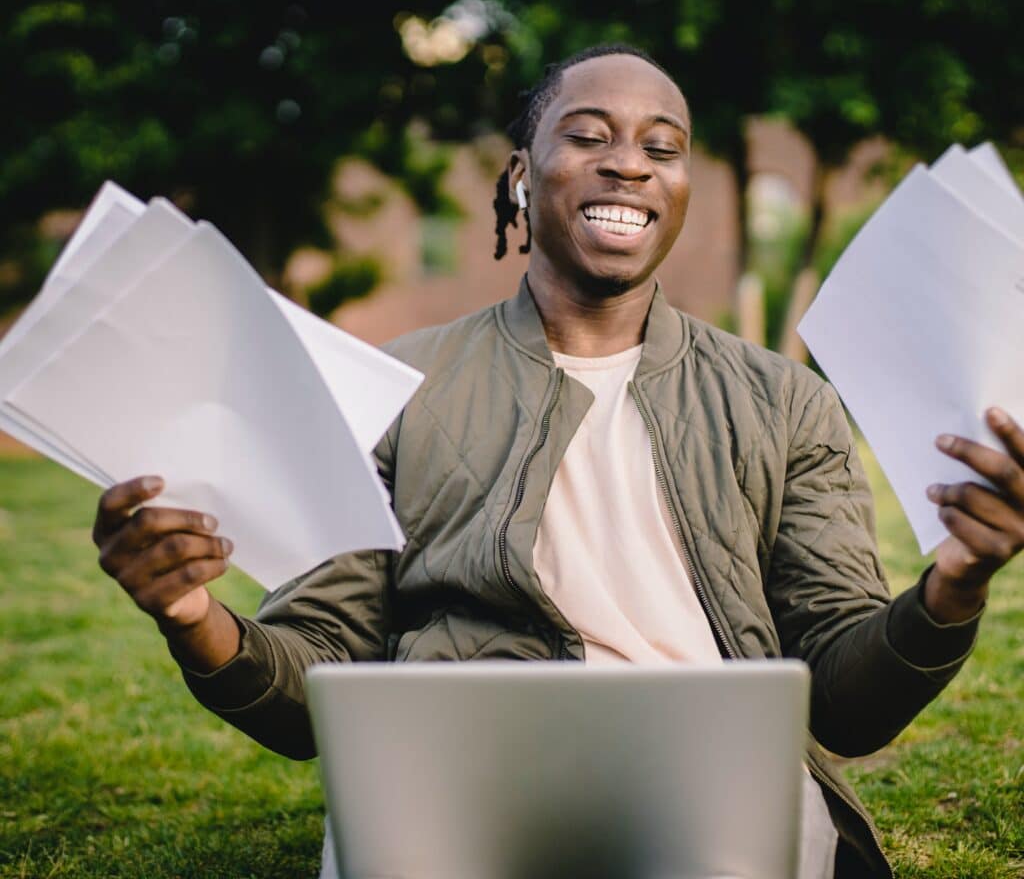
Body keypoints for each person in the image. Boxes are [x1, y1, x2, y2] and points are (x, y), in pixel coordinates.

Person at [92, 45, 1024, 878]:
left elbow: (849, 704)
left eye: (662, 148)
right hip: (454, 788)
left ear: (683, 189)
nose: (630, 162)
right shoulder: (391, 388)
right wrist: (189, 613)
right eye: (589, 137)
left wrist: (954, 585)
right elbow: (313, 687)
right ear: (522, 178)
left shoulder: (786, 402)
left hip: (713, 801)